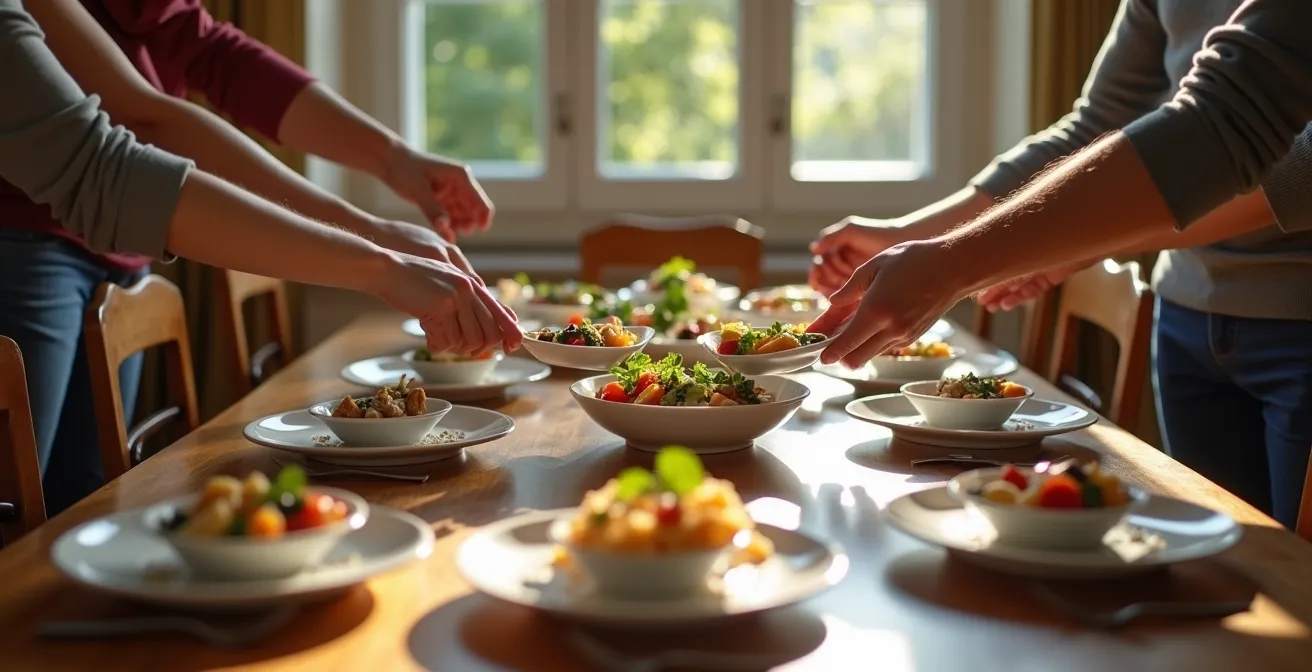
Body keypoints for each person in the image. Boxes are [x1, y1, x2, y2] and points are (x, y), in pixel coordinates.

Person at [0, 0, 517, 515]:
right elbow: (134, 133)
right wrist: (374, 251)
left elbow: (223, 58)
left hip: (121, 244)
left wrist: (392, 165)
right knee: (19, 504)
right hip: (26, 239)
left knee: (81, 500)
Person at [807, 0, 1312, 528]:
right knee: (1219, 564)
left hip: (1299, 326)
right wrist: (913, 236)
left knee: (1290, 579)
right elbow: (1094, 128)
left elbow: (1270, 154)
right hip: (1185, 314)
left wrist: (962, 258)